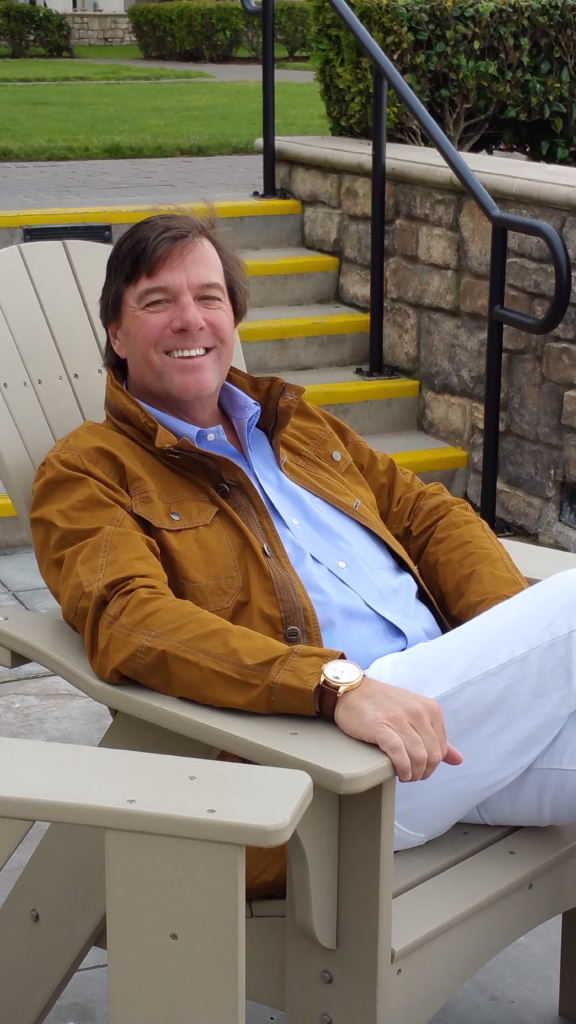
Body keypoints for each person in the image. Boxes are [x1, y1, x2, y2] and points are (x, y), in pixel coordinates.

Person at [31, 213, 576, 899]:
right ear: (116, 333)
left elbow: (425, 511)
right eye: (156, 301)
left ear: (234, 319)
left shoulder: (299, 427)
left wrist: (510, 648)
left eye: (208, 297)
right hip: (320, 771)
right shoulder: (88, 473)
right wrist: (330, 686)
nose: (189, 320)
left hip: (451, 729)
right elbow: (131, 622)